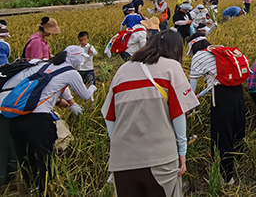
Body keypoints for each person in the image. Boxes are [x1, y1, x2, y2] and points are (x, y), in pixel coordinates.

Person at [102, 31, 199, 197]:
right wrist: (182, 153)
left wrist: (121, 147)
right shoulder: (171, 67)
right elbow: (178, 115)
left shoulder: (122, 70)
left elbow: (109, 117)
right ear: (175, 49)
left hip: (122, 162)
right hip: (160, 159)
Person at [6, 46, 96, 194]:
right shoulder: (71, 73)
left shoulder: (44, 64)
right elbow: (85, 95)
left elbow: (58, 86)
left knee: (25, 155)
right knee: (45, 156)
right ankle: (45, 189)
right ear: (75, 58)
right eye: (82, 57)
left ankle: (31, 188)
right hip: (39, 119)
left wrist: (69, 101)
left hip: (16, 116)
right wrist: (92, 87)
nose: (82, 60)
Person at [189, 40, 245, 185]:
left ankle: (227, 177)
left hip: (221, 96)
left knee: (223, 133)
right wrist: (200, 96)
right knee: (236, 128)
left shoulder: (199, 56)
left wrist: (188, 108)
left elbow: (190, 89)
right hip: (238, 91)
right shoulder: (223, 52)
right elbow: (216, 80)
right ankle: (238, 162)